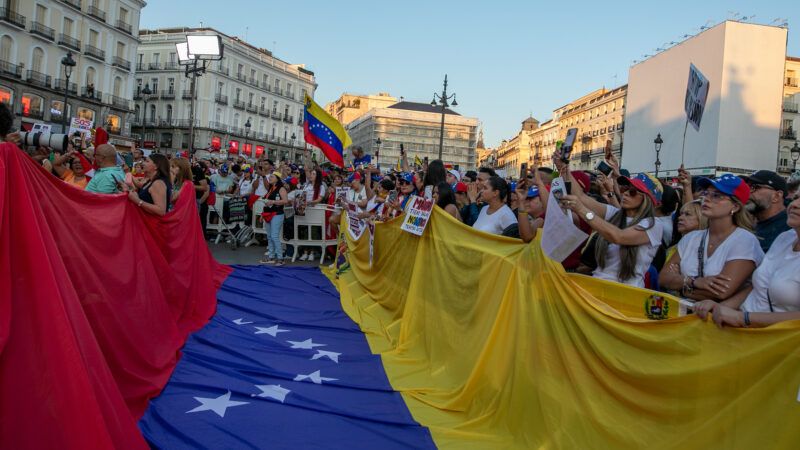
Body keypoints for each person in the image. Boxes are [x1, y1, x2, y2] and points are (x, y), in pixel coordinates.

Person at [694, 193, 800, 327]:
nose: (795, 205)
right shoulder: (785, 238)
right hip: (745, 333)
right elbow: (759, 286)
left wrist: (743, 318)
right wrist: (721, 307)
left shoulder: (745, 239)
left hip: (775, 341)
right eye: (796, 198)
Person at [659, 175, 761, 301]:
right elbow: (663, 278)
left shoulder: (745, 241)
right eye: (706, 193)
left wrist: (680, 285)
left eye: (717, 196)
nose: (706, 198)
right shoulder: (691, 238)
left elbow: (720, 293)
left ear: (735, 206)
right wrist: (694, 282)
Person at [560, 172, 663, 288]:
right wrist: (564, 168)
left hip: (626, 292)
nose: (626, 194)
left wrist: (581, 210)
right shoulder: (615, 214)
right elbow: (581, 197)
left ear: (647, 199)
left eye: (633, 192)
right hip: (598, 285)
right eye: (625, 189)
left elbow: (618, 237)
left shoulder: (654, 224)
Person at [744, 170, 790, 252]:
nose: (747, 192)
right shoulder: (748, 223)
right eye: (746, 187)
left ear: (776, 196)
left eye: (754, 187)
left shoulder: (790, 229)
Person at [260, 172, 289, 265]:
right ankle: (271, 257)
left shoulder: (281, 188)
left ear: (277, 178)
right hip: (268, 214)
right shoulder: (270, 188)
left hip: (277, 214)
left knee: (274, 236)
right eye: (269, 176)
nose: (270, 178)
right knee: (269, 236)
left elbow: (285, 201)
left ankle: (280, 258)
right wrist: (262, 214)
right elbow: (266, 201)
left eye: (272, 176)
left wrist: (273, 201)